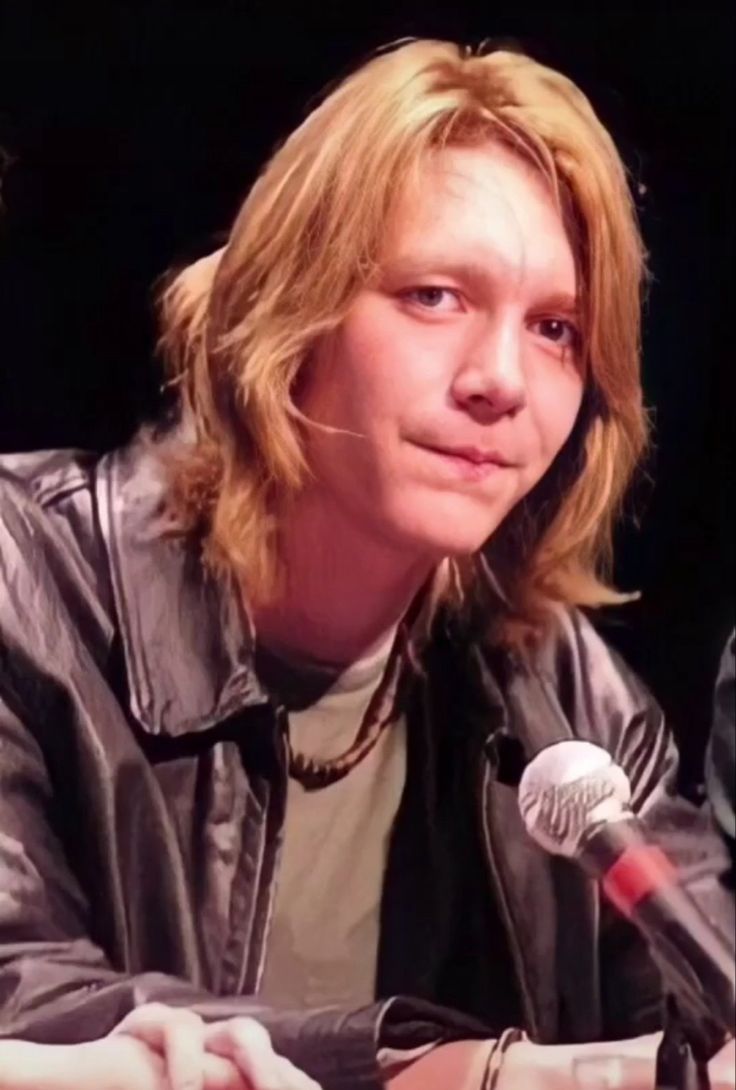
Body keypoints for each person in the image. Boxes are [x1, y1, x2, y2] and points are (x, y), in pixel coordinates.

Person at [0, 38, 733, 1090]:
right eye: (434, 296)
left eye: (557, 329)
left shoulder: (570, 702)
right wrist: (460, 1071)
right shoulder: (25, 579)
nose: (499, 379)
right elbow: (23, 992)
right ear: (288, 311)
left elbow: (689, 1003)